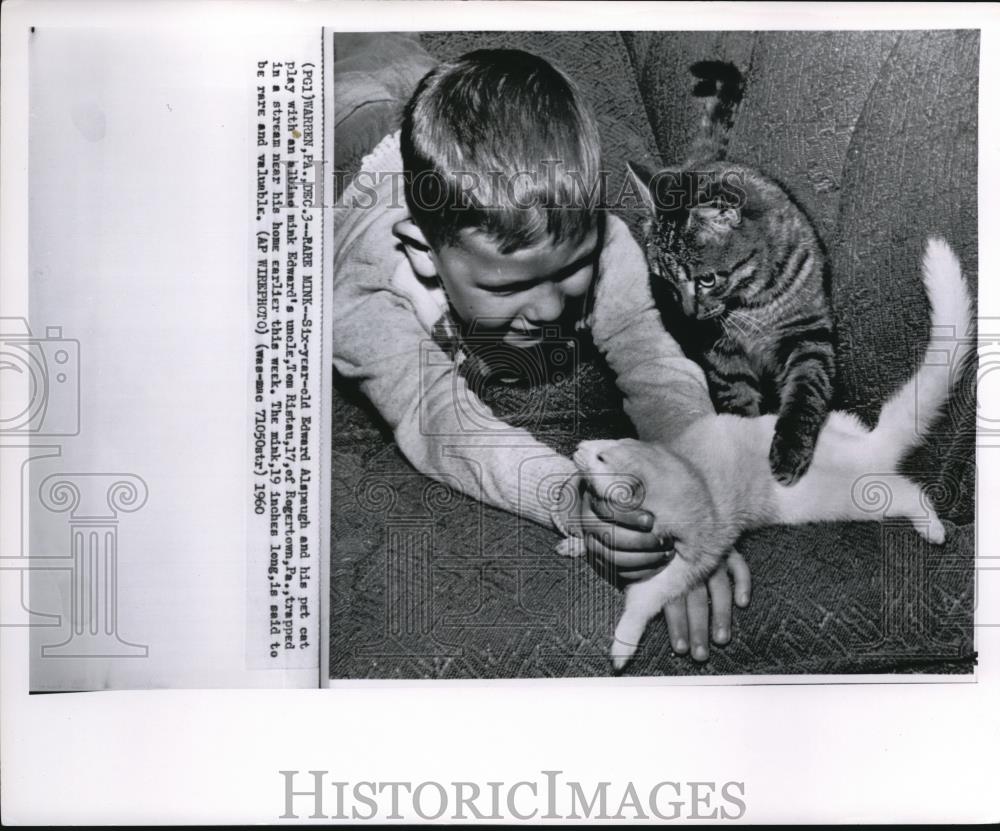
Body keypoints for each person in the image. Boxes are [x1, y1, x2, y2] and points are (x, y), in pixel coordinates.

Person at [332, 40, 750, 662]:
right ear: (425, 254)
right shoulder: (365, 288)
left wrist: (690, 495)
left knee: (428, 86)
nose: (553, 309)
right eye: (510, 286)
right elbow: (439, 418)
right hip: (341, 120)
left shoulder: (596, 235)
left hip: (422, 94)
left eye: (571, 269)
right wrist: (566, 498)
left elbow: (651, 358)